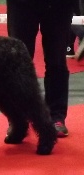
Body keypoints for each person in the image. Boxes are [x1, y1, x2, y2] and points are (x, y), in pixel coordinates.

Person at [6, 0, 75, 137]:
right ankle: (18, 121)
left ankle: (56, 117)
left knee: (57, 60)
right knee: (18, 62)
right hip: (21, 4)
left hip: (60, 5)